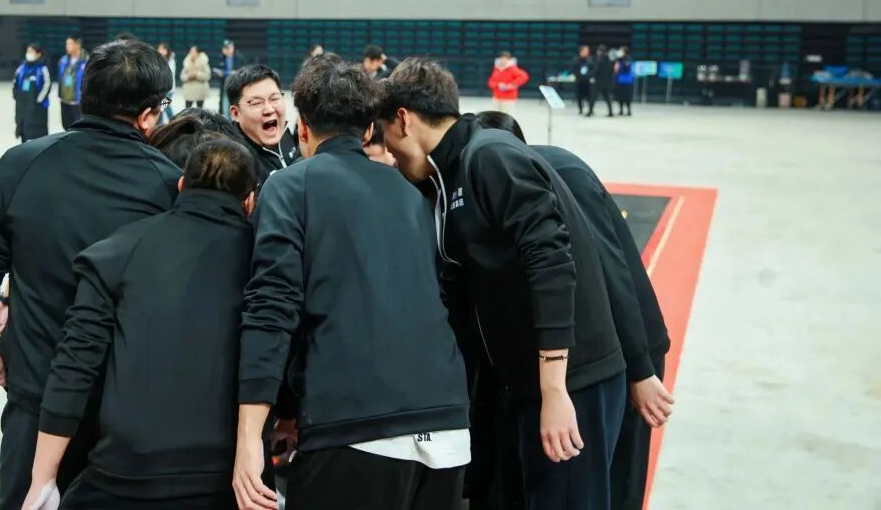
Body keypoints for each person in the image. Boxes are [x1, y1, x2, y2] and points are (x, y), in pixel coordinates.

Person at [378, 58, 626, 510]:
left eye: (386, 137)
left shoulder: (489, 156)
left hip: (571, 383)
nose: (390, 154)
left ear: (403, 119)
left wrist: (555, 389)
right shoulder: (450, 173)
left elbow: (551, 261)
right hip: (526, 382)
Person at [233, 57, 470, 510]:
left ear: (303, 128)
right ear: (367, 132)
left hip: (355, 426)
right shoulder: (411, 195)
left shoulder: (289, 186)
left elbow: (271, 310)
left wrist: (249, 436)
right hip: (448, 430)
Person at [0, 39, 182, 510]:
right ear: (148, 116)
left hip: (36, 395)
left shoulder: (21, 163)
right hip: (128, 406)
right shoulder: (169, 184)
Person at [22, 139, 258, 510]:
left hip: (124, 476)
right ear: (250, 201)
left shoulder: (119, 250)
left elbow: (74, 364)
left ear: (181, 185)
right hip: (231, 481)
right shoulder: (265, 261)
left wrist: (43, 478)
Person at [476, 110, 674, 510]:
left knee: (614, 484)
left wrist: (639, 369)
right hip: (589, 346)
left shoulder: (558, 174)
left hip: (626, 345)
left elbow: (610, 270)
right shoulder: (508, 182)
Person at [226, 64, 301, 185]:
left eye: (274, 98)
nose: (269, 109)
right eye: (256, 103)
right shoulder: (234, 165)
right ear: (235, 113)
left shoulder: (291, 136)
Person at [13, 44, 51, 143]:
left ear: (38, 54)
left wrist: (39, 100)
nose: (29, 54)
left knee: (38, 134)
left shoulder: (43, 69)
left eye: (31, 52)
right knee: (24, 132)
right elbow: (15, 83)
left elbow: (47, 85)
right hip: (23, 107)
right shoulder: (21, 68)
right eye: (28, 52)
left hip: (38, 107)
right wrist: (17, 97)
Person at [57, 36, 88, 130]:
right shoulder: (63, 60)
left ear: (78, 45)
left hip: (78, 102)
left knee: (79, 129)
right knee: (66, 127)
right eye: (66, 44)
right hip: (65, 100)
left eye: (70, 44)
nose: (67, 46)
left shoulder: (86, 61)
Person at [214, 40, 246, 113]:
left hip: (236, 86)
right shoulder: (220, 58)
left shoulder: (240, 58)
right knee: (225, 107)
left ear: (233, 48)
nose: (227, 50)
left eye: (228, 48)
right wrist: (219, 74)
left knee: (235, 105)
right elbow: (214, 71)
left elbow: (244, 72)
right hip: (225, 85)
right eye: (225, 48)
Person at [181, 45, 211, 109]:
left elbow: (207, 76)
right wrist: (188, 76)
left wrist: (197, 74)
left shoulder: (204, 62)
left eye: (192, 51)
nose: (190, 52)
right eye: (190, 51)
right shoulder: (187, 62)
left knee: (200, 110)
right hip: (189, 90)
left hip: (200, 91)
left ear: (198, 53)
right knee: (187, 110)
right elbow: (182, 76)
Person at [157, 42, 178, 124]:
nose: (160, 50)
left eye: (162, 49)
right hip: (162, 88)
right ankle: (167, 122)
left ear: (166, 50)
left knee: (163, 107)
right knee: (163, 108)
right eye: (159, 48)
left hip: (169, 89)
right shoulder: (159, 59)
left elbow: (167, 73)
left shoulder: (171, 60)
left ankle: (173, 122)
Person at [571, 45, 594, 117]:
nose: (587, 52)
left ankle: (590, 110)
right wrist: (578, 76)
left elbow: (592, 69)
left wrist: (589, 76)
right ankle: (580, 109)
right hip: (579, 81)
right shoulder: (575, 60)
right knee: (579, 96)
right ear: (581, 51)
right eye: (585, 51)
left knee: (589, 96)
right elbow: (573, 70)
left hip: (587, 81)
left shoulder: (590, 60)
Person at [593, 45, 615, 118]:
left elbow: (596, 70)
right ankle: (610, 112)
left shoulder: (600, 59)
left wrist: (593, 77)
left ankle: (590, 111)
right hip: (606, 82)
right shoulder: (609, 59)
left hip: (600, 81)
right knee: (607, 97)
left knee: (594, 97)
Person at [614, 47, 634, 117]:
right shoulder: (618, 59)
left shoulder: (628, 59)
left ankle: (629, 110)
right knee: (620, 96)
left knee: (627, 96)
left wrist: (619, 67)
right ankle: (621, 110)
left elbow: (626, 68)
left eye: (621, 51)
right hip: (620, 80)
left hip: (627, 81)